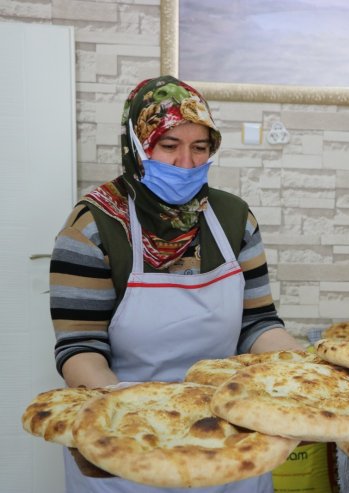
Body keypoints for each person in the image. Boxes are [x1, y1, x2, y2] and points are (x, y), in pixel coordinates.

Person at [49, 75, 304, 492]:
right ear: (137, 144)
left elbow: (258, 324)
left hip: (227, 438)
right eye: (168, 146)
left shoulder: (234, 219)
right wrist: (134, 417)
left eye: (200, 148)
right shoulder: (93, 227)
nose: (186, 164)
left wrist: (305, 373)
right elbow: (80, 350)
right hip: (126, 442)